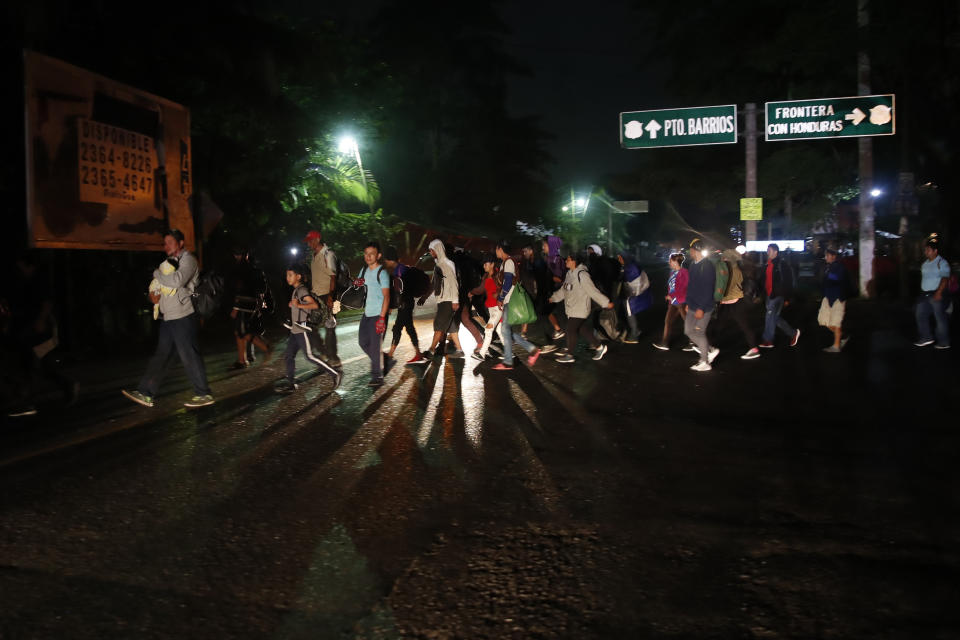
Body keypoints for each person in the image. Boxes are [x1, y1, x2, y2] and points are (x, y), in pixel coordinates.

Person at [122, 229, 214, 408]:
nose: (166, 247)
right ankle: (145, 393)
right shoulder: (167, 264)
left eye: (170, 243)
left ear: (180, 243)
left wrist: (157, 273)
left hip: (182, 315)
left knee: (188, 354)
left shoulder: (189, 260)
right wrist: (153, 297)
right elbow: (159, 287)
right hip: (167, 316)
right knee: (162, 355)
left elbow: (177, 280)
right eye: (164, 244)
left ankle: (204, 393)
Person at [1, 252, 78, 417]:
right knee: (40, 364)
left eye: (21, 266)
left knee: (32, 362)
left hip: (43, 331)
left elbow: (47, 303)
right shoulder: (25, 282)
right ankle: (67, 386)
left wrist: (40, 322)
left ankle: (26, 400)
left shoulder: (38, 281)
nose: (19, 270)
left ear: (29, 265)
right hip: (33, 330)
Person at [276, 263, 341, 394]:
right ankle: (291, 383)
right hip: (295, 329)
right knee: (289, 356)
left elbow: (314, 305)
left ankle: (335, 374)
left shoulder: (301, 290)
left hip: (302, 329)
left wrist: (298, 305)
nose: (287, 277)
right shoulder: (296, 290)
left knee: (310, 356)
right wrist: (294, 305)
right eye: (287, 275)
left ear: (298, 276)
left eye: (290, 275)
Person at [550, 252, 614, 363]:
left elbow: (592, 291)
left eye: (568, 259)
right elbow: (564, 290)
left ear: (574, 261)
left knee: (570, 329)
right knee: (582, 329)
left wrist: (606, 302)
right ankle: (600, 347)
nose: (566, 261)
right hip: (572, 308)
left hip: (581, 309)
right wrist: (553, 298)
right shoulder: (569, 274)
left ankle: (569, 355)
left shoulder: (582, 275)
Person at [414, 239, 465, 362]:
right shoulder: (438, 265)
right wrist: (425, 296)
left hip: (447, 300)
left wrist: (455, 300)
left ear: (438, 249)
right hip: (443, 299)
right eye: (430, 250)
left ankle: (431, 350)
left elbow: (453, 283)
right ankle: (459, 349)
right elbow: (433, 284)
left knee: (438, 325)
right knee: (450, 327)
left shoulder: (446, 264)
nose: (431, 252)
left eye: (432, 250)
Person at [493, 240, 541, 370]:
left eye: (496, 249)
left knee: (504, 330)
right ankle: (531, 350)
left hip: (510, 299)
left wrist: (501, 298)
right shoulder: (505, 262)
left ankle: (509, 361)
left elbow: (508, 282)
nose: (495, 251)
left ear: (500, 249)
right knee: (506, 331)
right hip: (508, 299)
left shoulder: (508, 262)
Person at [226, 246, 272, 369]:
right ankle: (242, 360)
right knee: (240, 331)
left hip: (242, 305)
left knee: (242, 332)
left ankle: (265, 347)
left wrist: (236, 307)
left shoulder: (241, 269)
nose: (237, 257)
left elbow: (239, 289)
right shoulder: (254, 269)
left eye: (238, 254)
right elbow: (262, 288)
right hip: (252, 304)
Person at [355, 241, 393, 387]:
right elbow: (358, 286)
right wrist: (354, 284)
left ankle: (377, 376)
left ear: (378, 255)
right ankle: (384, 360)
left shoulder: (382, 273)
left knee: (375, 345)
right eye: (366, 253)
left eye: (371, 254)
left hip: (378, 313)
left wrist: (382, 319)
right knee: (362, 342)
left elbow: (387, 297)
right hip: (367, 313)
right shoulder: (363, 270)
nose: (368, 256)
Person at [711, 248, 761, 360]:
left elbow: (724, 286)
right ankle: (710, 347)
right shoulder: (735, 269)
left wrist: (716, 297)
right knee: (721, 325)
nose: (722, 258)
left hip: (734, 302)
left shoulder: (732, 270)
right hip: (732, 301)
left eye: (724, 257)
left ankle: (754, 349)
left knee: (741, 325)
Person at [383, 245, 430, 364]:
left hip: (405, 304)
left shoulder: (399, 271)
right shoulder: (401, 268)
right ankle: (417, 353)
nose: (384, 262)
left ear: (389, 259)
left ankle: (390, 354)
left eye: (385, 259)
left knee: (398, 328)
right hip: (406, 303)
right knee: (409, 328)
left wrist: (392, 306)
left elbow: (399, 291)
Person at [305, 230, 340, 366]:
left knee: (329, 327)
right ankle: (324, 351)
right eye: (308, 241)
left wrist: (331, 297)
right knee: (310, 326)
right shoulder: (314, 256)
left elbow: (333, 277)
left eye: (311, 240)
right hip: (316, 296)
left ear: (318, 239)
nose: (309, 244)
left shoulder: (328, 254)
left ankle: (334, 358)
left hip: (329, 296)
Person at [684, 239, 719, 372]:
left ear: (696, 250)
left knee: (699, 332)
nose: (690, 252)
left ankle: (704, 362)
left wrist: (701, 308)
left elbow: (708, 289)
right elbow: (691, 286)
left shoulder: (708, 266)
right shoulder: (693, 265)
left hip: (704, 307)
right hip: (692, 305)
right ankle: (710, 349)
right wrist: (688, 302)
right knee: (688, 331)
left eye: (691, 249)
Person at [759, 243, 800, 349]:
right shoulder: (767, 264)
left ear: (775, 252)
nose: (767, 252)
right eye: (767, 250)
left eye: (769, 250)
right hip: (769, 295)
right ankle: (793, 333)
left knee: (769, 316)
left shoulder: (782, 265)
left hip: (777, 295)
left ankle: (768, 340)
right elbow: (764, 280)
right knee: (774, 318)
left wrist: (787, 298)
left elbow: (788, 282)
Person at [914, 235, 951, 349]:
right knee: (920, 314)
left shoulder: (942, 262)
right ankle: (926, 337)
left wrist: (939, 292)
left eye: (928, 250)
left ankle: (944, 342)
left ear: (935, 251)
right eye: (925, 250)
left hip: (937, 293)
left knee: (939, 318)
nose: (926, 252)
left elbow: (945, 278)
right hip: (925, 294)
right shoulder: (924, 264)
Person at [652, 253, 688, 350]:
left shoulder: (684, 272)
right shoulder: (672, 273)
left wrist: (672, 296)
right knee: (668, 321)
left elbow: (684, 288)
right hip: (673, 303)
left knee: (688, 322)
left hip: (681, 302)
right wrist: (670, 297)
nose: (669, 263)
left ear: (676, 262)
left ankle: (694, 343)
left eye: (670, 261)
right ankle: (664, 343)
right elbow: (672, 288)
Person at [818, 248, 850, 353]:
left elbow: (838, 278)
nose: (826, 257)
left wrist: (827, 275)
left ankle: (836, 346)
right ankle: (842, 336)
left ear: (833, 256)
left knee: (836, 322)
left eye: (827, 255)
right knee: (824, 320)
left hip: (838, 298)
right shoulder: (828, 267)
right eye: (825, 255)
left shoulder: (839, 267)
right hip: (828, 297)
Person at [472, 253, 502, 361]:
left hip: (498, 308)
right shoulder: (485, 276)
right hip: (491, 308)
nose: (484, 266)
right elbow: (481, 290)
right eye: (483, 264)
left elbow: (503, 289)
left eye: (486, 263)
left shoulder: (498, 275)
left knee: (488, 330)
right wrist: (471, 292)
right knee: (499, 331)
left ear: (492, 264)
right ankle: (510, 354)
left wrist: (497, 294)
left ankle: (482, 354)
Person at [617, 252, 652, 343]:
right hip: (628, 294)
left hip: (630, 294)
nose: (619, 259)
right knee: (627, 312)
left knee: (630, 312)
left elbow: (633, 281)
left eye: (620, 257)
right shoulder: (628, 265)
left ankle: (634, 333)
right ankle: (634, 330)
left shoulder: (630, 267)